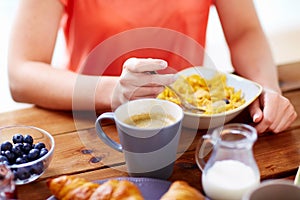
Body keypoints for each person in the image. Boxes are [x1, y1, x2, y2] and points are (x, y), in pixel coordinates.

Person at [8, 0, 297, 134]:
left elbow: (244, 33)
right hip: (92, 123)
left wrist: (266, 89)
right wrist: (112, 92)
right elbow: (21, 73)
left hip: (192, 125)